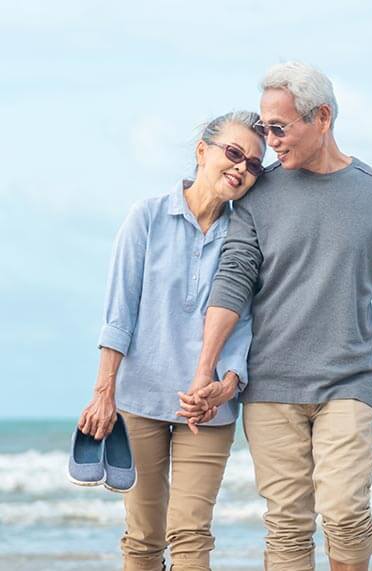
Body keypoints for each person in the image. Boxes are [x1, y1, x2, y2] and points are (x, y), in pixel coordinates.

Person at [179, 62, 372, 571]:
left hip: (347, 381)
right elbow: (232, 279)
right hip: (270, 387)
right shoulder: (258, 194)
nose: (270, 143)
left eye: (279, 128)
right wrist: (204, 369)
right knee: (287, 525)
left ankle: (358, 532)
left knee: (345, 516)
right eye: (264, 129)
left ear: (321, 117)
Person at [76, 111, 266, 571]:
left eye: (255, 164)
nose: (242, 168)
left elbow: (245, 321)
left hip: (207, 408)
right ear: (203, 151)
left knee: (191, 536)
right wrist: (104, 393)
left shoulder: (246, 234)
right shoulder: (147, 217)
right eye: (234, 153)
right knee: (142, 538)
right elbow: (119, 312)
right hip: (138, 400)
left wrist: (228, 384)